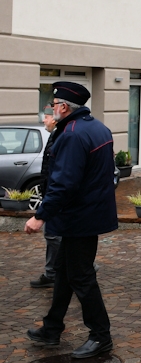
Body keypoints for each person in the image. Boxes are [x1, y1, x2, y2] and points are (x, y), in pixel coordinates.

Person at [25, 82, 117, 358]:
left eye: (54, 106)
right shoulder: (96, 127)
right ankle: (52, 328)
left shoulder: (73, 135)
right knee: (65, 273)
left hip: (80, 218)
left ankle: (101, 336)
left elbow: (64, 184)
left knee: (81, 276)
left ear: (64, 107)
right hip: (88, 214)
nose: (52, 110)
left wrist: (40, 216)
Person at [29, 105, 60, 289]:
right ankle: (51, 273)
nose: (44, 120)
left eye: (46, 117)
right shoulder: (54, 135)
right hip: (50, 193)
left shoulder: (59, 135)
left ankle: (81, 263)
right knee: (52, 235)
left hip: (55, 195)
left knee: (53, 235)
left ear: (54, 119)